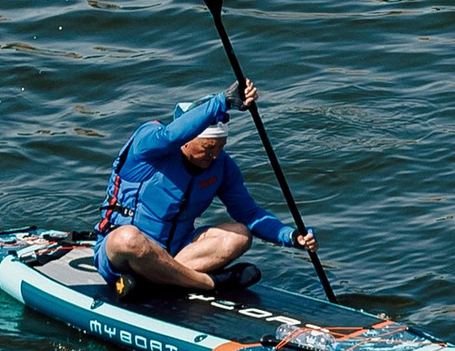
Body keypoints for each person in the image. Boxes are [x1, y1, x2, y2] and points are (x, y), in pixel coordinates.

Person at [92, 80, 314, 301]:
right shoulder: (148, 147)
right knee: (127, 239)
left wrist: (292, 236)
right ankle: (208, 283)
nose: (215, 155)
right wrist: (224, 101)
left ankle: (153, 282)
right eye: (208, 148)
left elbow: (249, 214)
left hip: (179, 254)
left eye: (221, 146)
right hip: (122, 259)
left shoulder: (223, 167)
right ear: (186, 140)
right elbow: (170, 136)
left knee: (240, 235)